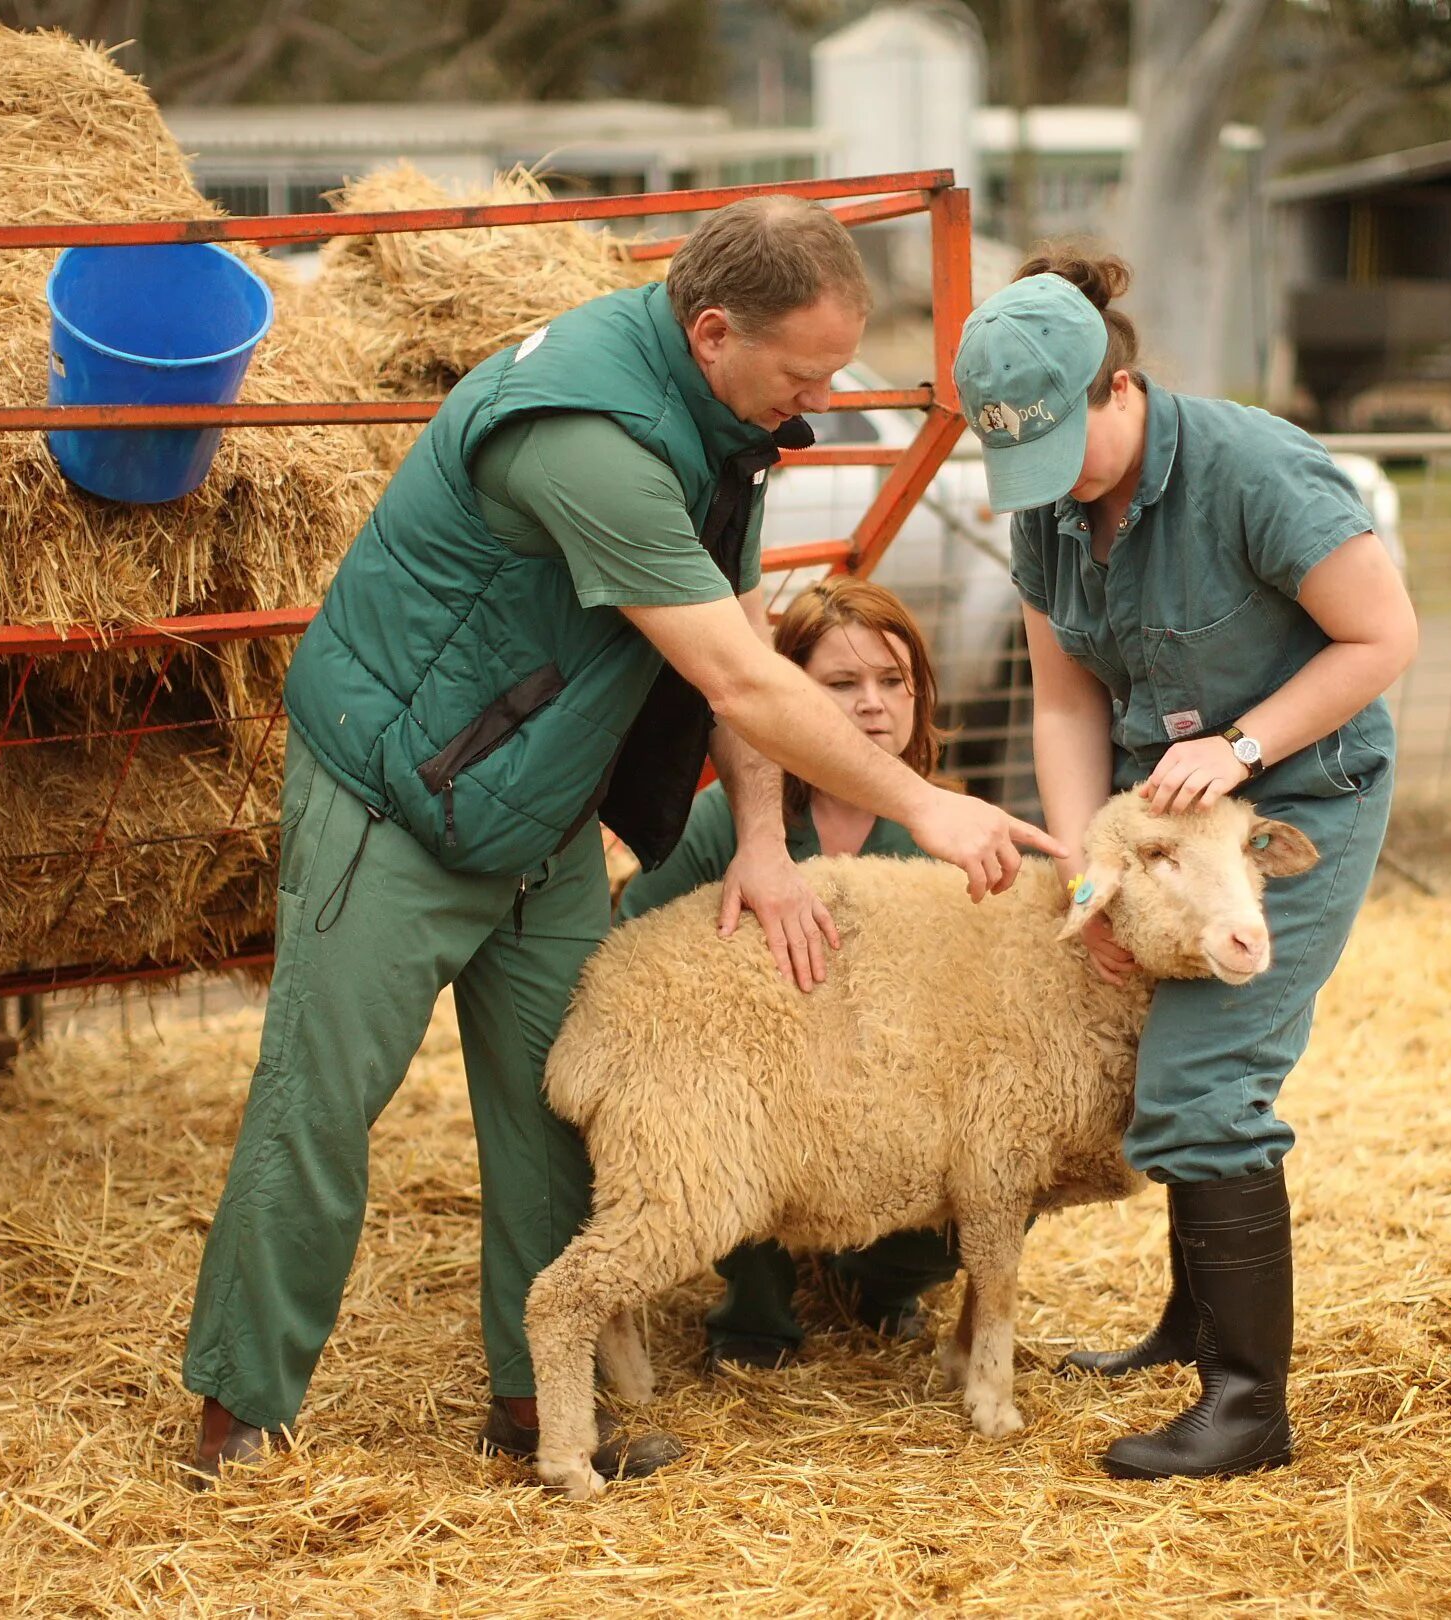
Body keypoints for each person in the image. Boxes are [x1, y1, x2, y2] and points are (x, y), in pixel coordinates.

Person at [180, 198, 1061, 1486]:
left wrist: (762, 840)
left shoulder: (725, 426)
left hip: (534, 809)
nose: (823, 396)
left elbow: (744, 636)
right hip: (396, 796)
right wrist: (928, 804)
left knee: (558, 1111)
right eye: (805, 372)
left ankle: (542, 1407)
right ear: (712, 331)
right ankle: (241, 1406)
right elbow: (744, 682)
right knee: (326, 1096)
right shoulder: (589, 437)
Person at [953, 252, 1420, 1481]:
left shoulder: (1251, 470)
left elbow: (1385, 636)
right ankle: (1189, 1325)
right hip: (1156, 821)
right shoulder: (1048, 509)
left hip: (1293, 801)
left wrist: (1247, 743)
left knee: (1206, 1075)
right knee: (1158, 1047)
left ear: (1118, 387)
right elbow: (1060, 706)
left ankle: (1248, 1405)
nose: (1044, 488)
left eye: (1062, 447)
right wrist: (1087, 878)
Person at [614, 575, 963, 1369]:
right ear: (788, 692)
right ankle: (755, 1306)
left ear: (919, 697)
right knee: (731, 1103)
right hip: (764, 1088)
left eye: (891, 682)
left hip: (892, 1101)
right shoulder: (728, 822)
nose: (872, 704)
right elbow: (635, 942)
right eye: (840, 684)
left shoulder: (943, 834)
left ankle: (880, 1286)